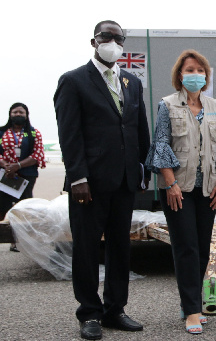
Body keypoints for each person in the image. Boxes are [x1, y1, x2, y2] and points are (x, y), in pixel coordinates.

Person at [54, 20, 150, 340]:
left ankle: (114, 310)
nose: (113, 42)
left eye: (118, 38)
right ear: (93, 41)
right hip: (89, 183)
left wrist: (142, 170)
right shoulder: (74, 81)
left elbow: (139, 131)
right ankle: (89, 313)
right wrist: (78, 176)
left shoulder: (131, 82)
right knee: (86, 248)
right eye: (107, 36)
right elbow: (70, 135)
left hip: (124, 180)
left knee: (120, 248)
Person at [146, 49, 216, 334]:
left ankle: (192, 303)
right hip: (178, 189)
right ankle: (191, 311)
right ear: (179, 75)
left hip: (208, 189)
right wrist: (171, 184)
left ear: (206, 76)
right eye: (190, 69)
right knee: (185, 248)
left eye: (200, 70)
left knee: (201, 251)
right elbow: (161, 144)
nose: (195, 74)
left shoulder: (215, 106)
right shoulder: (167, 105)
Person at [0, 102, 46, 252]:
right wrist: (6, 165)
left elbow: (37, 154)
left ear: (26, 115)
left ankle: (17, 242)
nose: (18, 115)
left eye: (21, 112)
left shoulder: (33, 133)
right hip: (4, 175)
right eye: (15, 112)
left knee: (22, 209)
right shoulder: (1, 132)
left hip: (26, 176)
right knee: (2, 207)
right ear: (10, 114)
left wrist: (17, 166)